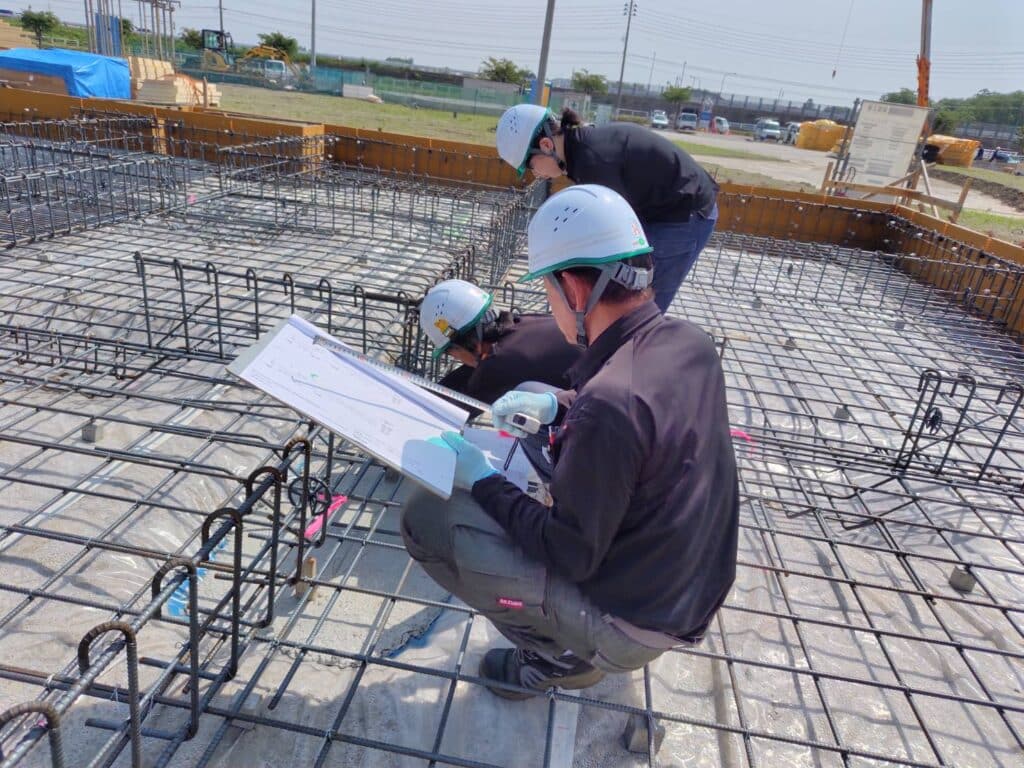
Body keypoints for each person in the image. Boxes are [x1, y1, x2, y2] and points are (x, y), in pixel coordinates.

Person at [401, 185, 738, 699]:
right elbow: (638, 414)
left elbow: (568, 553)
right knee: (538, 412)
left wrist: (484, 480)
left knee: (427, 517)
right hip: (688, 589)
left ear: (575, 291)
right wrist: (561, 404)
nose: (549, 304)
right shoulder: (688, 341)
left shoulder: (611, 406)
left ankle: (558, 657)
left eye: (549, 290)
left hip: (633, 625)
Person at [495, 103, 719, 313]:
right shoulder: (581, 149)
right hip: (664, 207)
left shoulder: (593, 161)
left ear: (546, 145)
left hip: (687, 214)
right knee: (622, 293)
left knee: (641, 305)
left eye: (531, 166)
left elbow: (615, 233)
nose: (536, 174)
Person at [419, 279, 581, 405]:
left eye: (451, 353)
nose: (458, 359)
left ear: (466, 344)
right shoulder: (524, 323)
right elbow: (472, 373)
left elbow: (451, 408)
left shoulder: (498, 365)